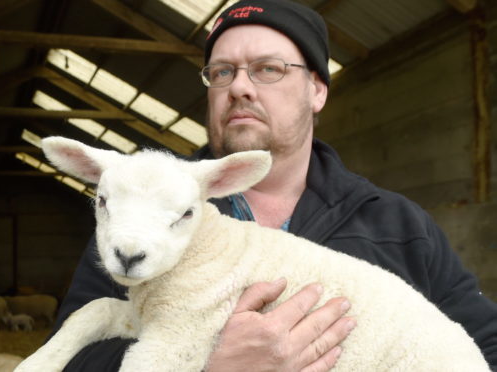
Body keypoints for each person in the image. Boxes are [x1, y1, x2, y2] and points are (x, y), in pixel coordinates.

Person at [51, 0, 497, 370]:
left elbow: (486, 346)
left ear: (317, 89)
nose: (239, 86)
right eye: (222, 72)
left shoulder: (399, 224)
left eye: (268, 69)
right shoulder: (141, 218)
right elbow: (73, 358)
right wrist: (207, 364)